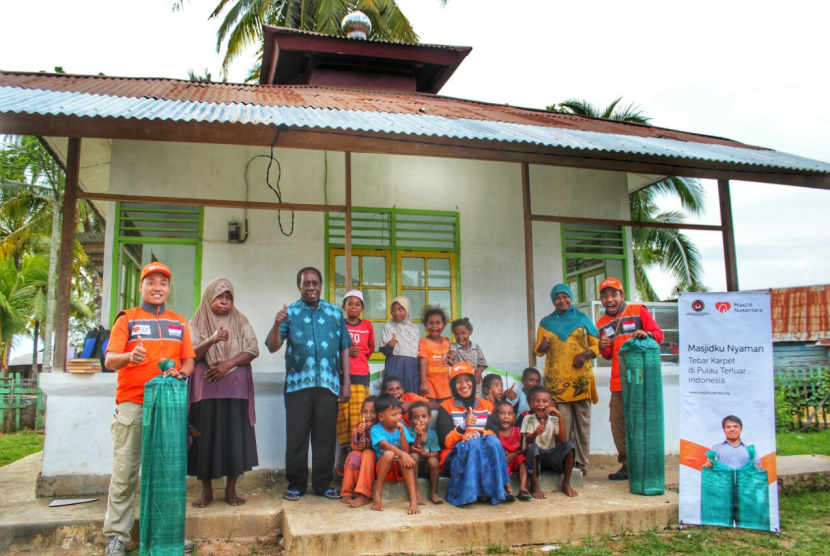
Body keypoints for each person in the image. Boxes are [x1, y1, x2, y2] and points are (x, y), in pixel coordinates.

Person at [102, 262, 196, 556]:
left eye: (163, 283)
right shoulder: (127, 319)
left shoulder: (179, 322)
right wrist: (130, 356)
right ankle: (117, 537)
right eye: (151, 282)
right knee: (125, 473)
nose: (158, 288)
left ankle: (167, 537)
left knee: (167, 476)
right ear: (141, 286)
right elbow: (110, 360)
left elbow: (189, 361)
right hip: (133, 405)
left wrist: (180, 372)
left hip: (169, 409)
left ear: (169, 289)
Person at [265, 267, 352, 501]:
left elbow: (345, 346)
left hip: (328, 384)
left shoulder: (335, 313)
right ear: (299, 287)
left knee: (325, 436)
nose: (311, 287)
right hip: (297, 386)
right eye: (306, 283)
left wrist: (346, 383)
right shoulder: (289, 313)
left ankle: (323, 484)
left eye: (314, 283)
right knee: (297, 436)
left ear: (321, 285)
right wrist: (276, 323)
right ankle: (296, 484)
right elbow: (272, 346)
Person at [188, 278, 260, 508]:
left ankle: (231, 490)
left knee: (234, 439)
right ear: (209, 297)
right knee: (205, 439)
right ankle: (206, 492)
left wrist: (227, 364)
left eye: (228, 297)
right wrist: (211, 340)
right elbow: (191, 354)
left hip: (235, 390)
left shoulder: (240, 320)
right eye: (219, 296)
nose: (224, 301)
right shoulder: (197, 322)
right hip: (206, 390)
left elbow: (253, 349)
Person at [596, 277, 664, 481]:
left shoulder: (638, 310)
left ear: (622, 295)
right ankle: (627, 466)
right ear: (600, 299)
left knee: (642, 424)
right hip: (617, 382)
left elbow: (659, 335)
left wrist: (647, 334)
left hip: (641, 381)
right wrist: (602, 346)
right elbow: (607, 355)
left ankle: (644, 464)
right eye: (605, 295)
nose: (610, 299)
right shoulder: (601, 322)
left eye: (614, 294)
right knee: (618, 426)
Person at [535, 283, 599, 474]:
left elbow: (597, 347)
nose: (562, 300)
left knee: (583, 425)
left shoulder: (583, 319)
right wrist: (543, 346)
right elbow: (538, 351)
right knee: (562, 424)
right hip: (558, 384)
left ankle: (581, 462)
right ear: (553, 300)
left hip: (581, 382)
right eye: (557, 297)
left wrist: (584, 355)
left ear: (571, 297)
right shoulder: (546, 323)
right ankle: (564, 460)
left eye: (565, 296)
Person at [436, 362, 512, 506]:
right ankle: (467, 496)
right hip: (454, 456)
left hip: (479, 449)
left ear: (473, 381)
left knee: (492, 441)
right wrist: (463, 427)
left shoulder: (487, 406)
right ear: (452, 386)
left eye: (467, 380)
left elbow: (494, 433)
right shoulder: (445, 407)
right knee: (473, 444)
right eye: (458, 381)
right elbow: (445, 442)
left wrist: (477, 432)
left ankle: (497, 491)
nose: (463, 385)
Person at [336, 290, 375, 475]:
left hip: (361, 377)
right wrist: (346, 352)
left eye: (357, 304)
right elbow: (333, 347)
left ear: (362, 308)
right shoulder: (339, 325)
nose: (353, 307)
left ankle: (357, 455)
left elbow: (370, 348)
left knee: (359, 418)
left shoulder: (367, 325)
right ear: (343, 307)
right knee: (343, 417)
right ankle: (344, 455)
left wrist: (359, 359)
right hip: (343, 377)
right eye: (349, 303)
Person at [521, 386, 578, 498]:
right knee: (533, 447)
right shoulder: (528, 419)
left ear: (552, 404)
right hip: (536, 457)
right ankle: (535, 484)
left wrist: (560, 417)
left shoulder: (554, 419)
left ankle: (566, 483)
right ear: (531, 404)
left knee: (569, 446)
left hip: (551, 456)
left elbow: (562, 440)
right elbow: (528, 440)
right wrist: (536, 433)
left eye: (545, 401)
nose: (541, 404)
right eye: (537, 401)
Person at [370, 394, 421, 514]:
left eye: (399, 413)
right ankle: (378, 492)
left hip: (399, 469)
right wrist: (403, 454)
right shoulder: (376, 430)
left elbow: (406, 451)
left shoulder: (402, 428)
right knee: (389, 454)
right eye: (394, 414)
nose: (398, 417)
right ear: (382, 416)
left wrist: (402, 433)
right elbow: (386, 446)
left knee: (406, 458)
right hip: (384, 469)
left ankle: (413, 500)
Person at [491, 400, 532, 501]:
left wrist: (514, 454)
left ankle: (522, 488)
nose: (506, 417)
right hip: (503, 461)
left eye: (510, 414)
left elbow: (523, 448)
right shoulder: (494, 432)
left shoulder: (518, 431)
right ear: (495, 416)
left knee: (522, 459)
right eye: (502, 413)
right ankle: (508, 489)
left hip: (515, 460)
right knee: (499, 463)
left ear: (514, 417)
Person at [341, 396, 378, 508]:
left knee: (367, 453)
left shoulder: (380, 427)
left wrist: (367, 444)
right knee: (353, 455)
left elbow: (379, 444)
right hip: (361, 457)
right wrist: (359, 435)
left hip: (375, 459)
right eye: (365, 412)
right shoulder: (359, 426)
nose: (368, 416)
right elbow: (355, 442)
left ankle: (364, 494)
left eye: (373, 412)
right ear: (361, 413)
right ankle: (347, 491)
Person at [379, 296, 421, 394]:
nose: (397, 313)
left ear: (407, 310)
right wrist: (390, 345)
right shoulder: (388, 326)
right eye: (394, 310)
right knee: (392, 395)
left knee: (410, 395)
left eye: (400, 309)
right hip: (394, 364)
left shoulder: (414, 329)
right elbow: (385, 351)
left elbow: (416, 352)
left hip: (410, 366)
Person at [407, 401, 443, 504]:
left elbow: (435, 454)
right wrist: (419, 435)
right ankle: (416, 491)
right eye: (416, 417)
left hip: (427, 467)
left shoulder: (432, 434)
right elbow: (413, 449)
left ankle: (433, 492)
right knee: (413, 456)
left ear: (429, 418)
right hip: (413, 467)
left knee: (434, 461)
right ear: (410, 420)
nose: (420, 420)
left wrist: (423, 453)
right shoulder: (409, 432)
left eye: (424, 416)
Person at [419, 306, 453, 401]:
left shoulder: (446, 341)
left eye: (438, 323)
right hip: (430, 388)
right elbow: (423, 362)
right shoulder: (424, 342)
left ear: (444, 325)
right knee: (432, 412)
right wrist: (423, 383)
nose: (434, 326)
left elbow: (450, 358)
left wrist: (451, 360)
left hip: (445, 388)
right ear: (426, 325)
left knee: (445, 412)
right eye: (431, 323)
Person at [450, 317, 488, 390]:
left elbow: (482, 363)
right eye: (457, 334)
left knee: (476, 400)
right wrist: (450, 356)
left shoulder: (476, 347)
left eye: (463, 333)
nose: (460, 337)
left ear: (470, 331)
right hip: (460, 385)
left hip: (476, 384)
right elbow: (452, 352)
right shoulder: (454, 346)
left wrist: (478, 371)